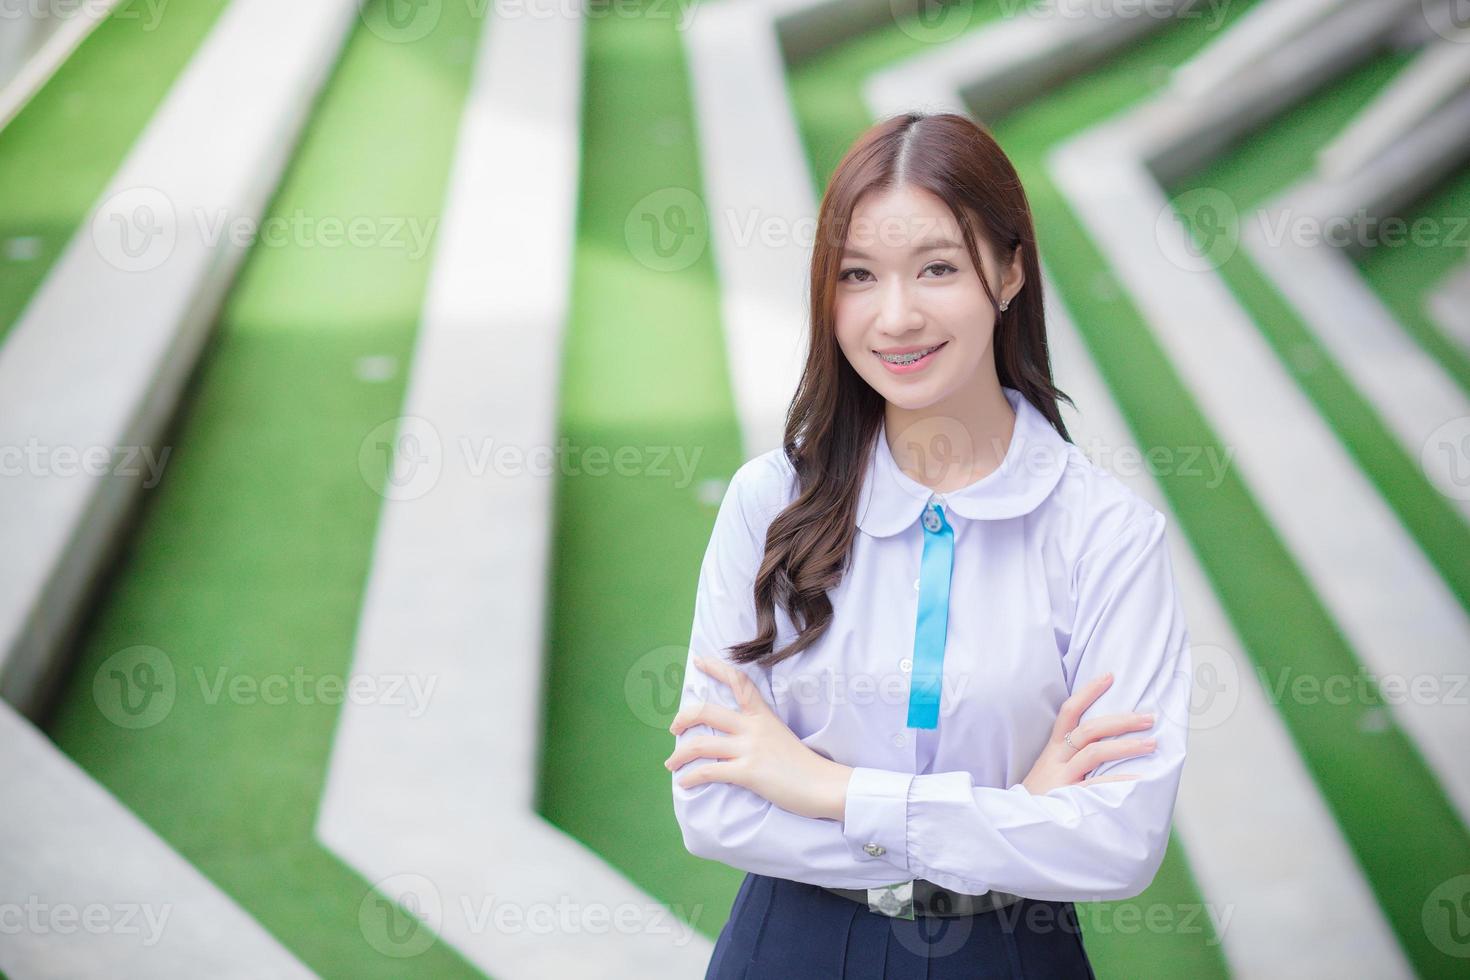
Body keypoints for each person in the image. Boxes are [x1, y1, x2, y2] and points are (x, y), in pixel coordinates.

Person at [664, 111, 1192, 979]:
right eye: (859, 275)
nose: (896, 316)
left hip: (1010, 953)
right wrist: (1012, 815)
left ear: (1011, 269)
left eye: (938, 268)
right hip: (790, 946)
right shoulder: (769, 501)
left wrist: (828, 788)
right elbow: (714, 805)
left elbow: (1117, 841)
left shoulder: (1106, 534)